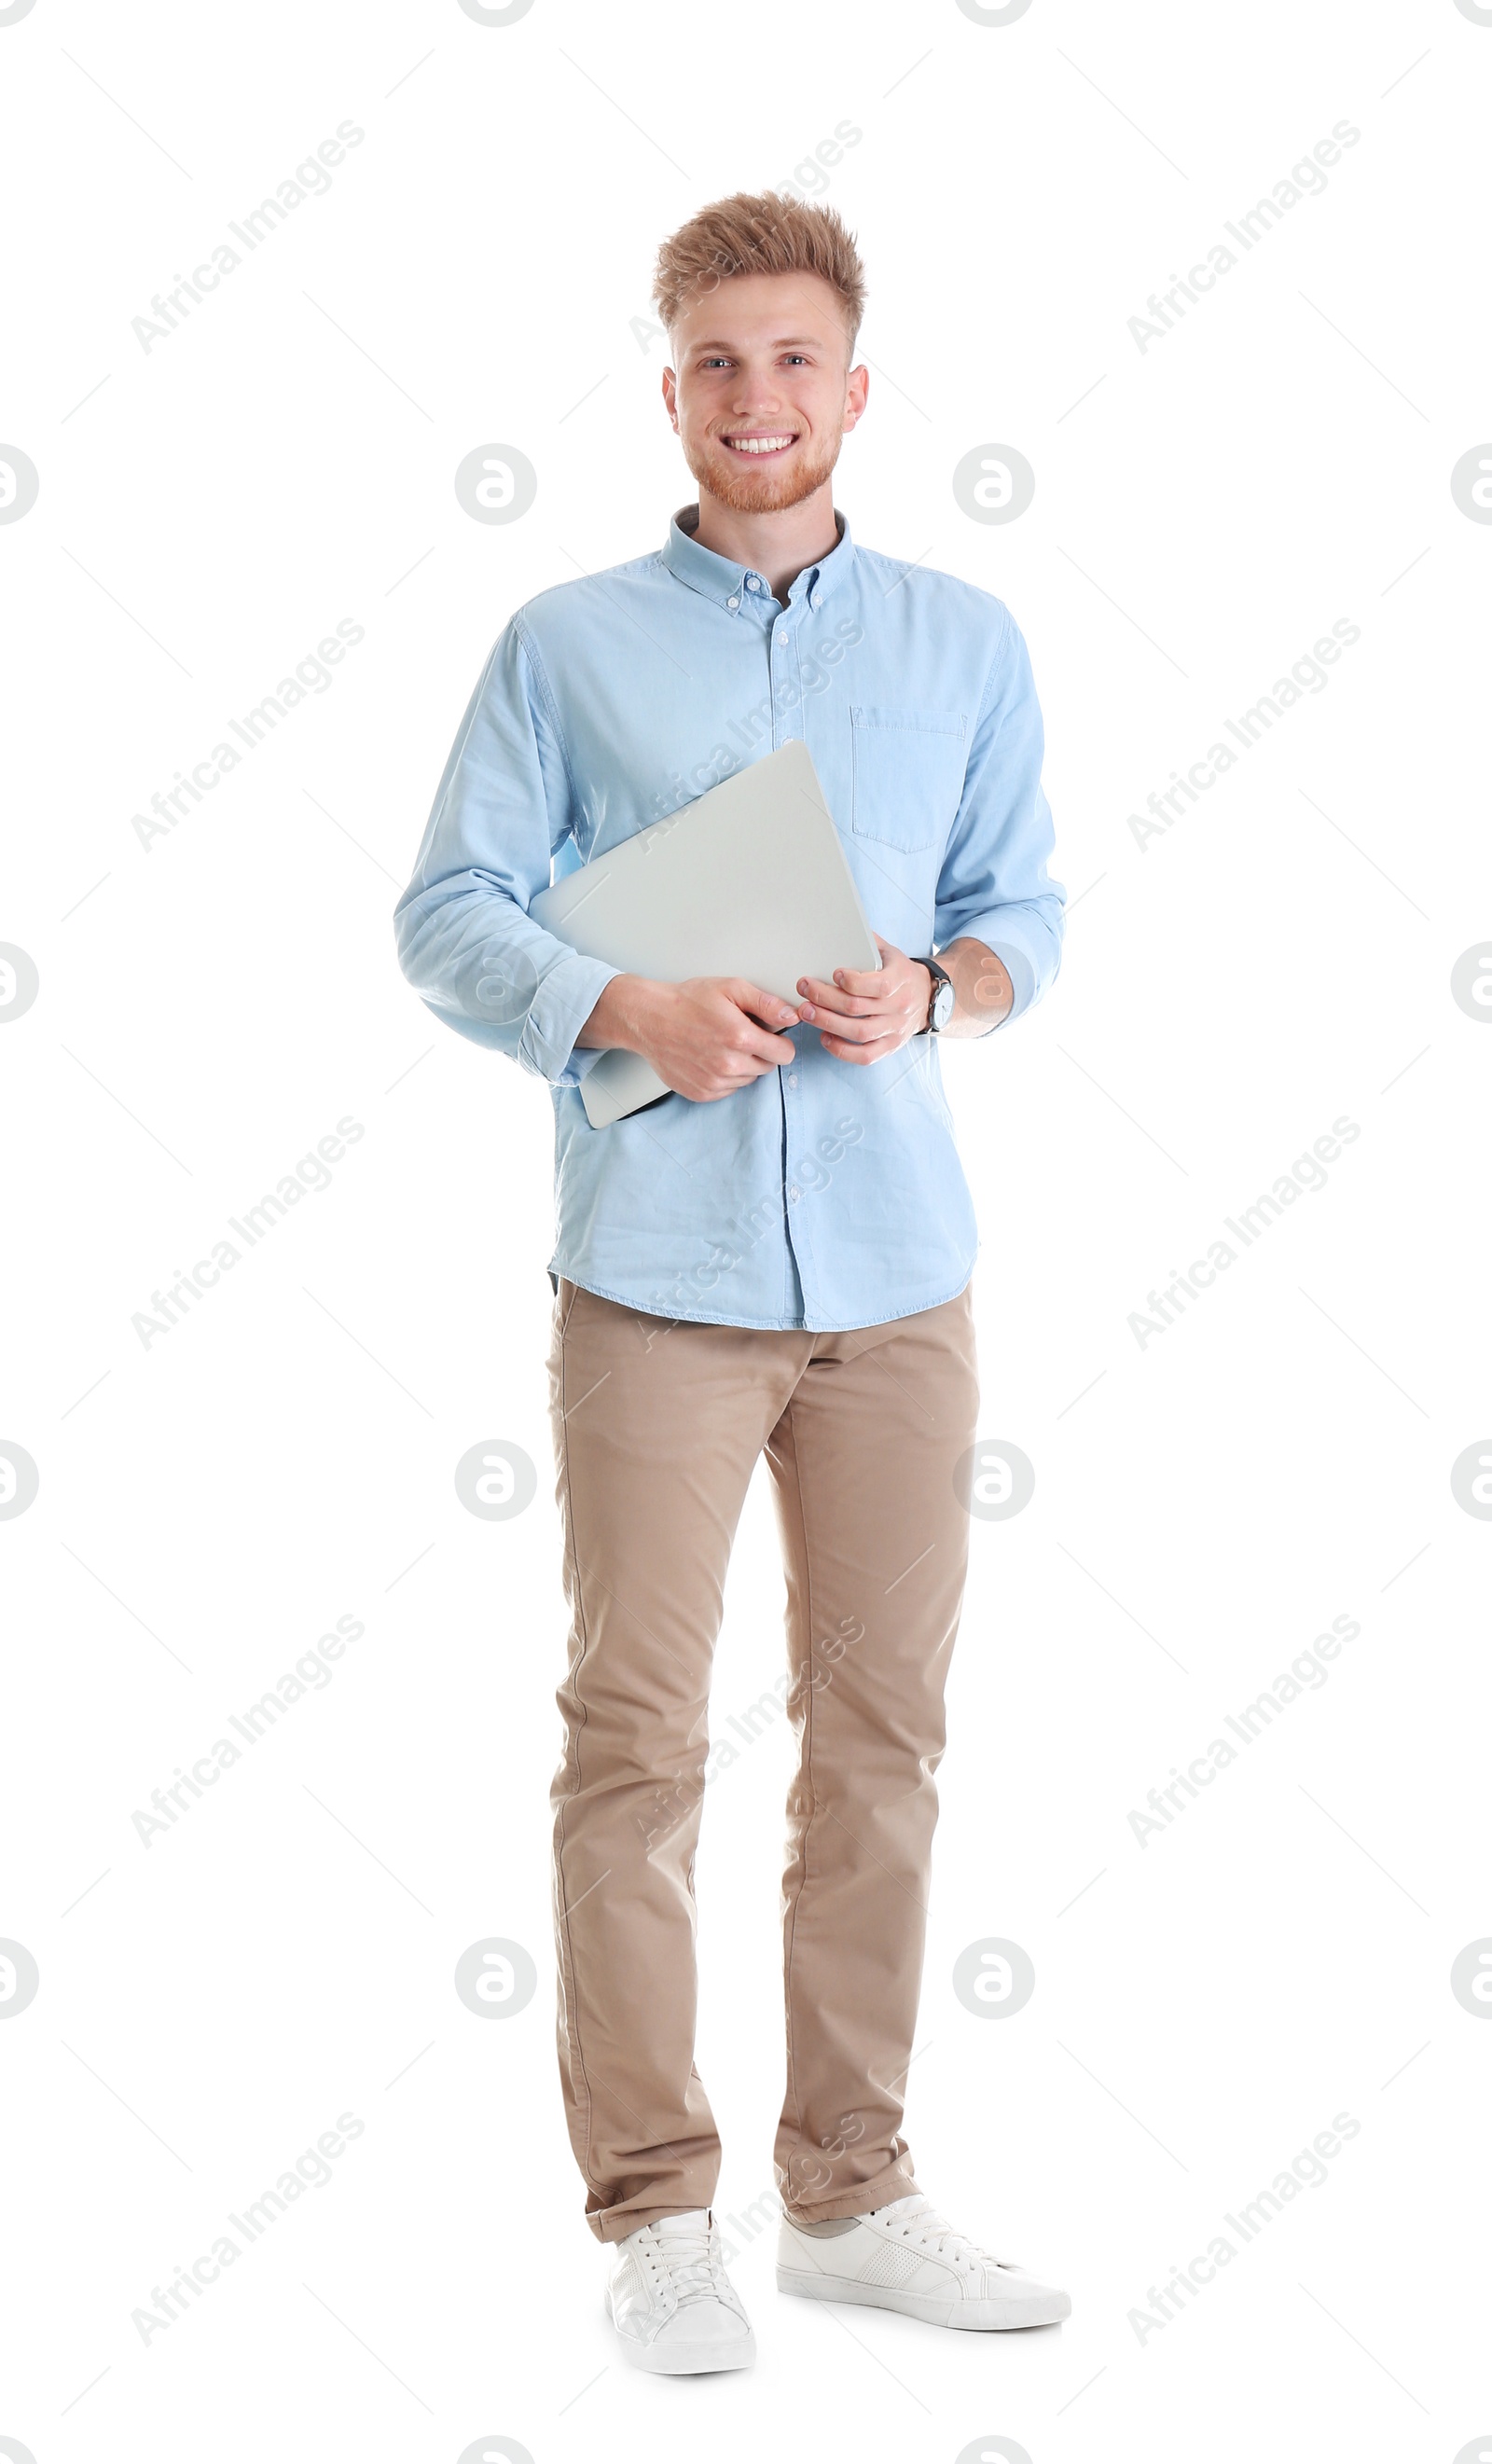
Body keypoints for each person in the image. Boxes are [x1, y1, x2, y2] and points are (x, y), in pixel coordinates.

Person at [394, 190, 1070, 2375]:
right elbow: (446, 914)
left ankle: (853, 2193)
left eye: (793, 360)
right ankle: (655, 2215)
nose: (755, 398)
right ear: (668, 386)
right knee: (635, 1740)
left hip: (898, 1276)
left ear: (853, 389)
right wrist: (624, 1008)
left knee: (882, 1741)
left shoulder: (964, 639)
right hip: (658, 1286)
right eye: (715, 361)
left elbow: (1023, 908)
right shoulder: (562, 641)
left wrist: (941, 986)